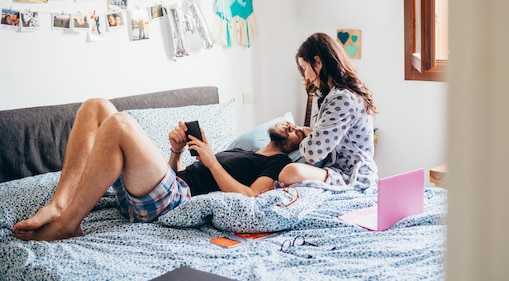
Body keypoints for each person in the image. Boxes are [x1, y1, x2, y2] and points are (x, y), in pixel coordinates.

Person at [12, 98, 305, 242]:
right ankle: (59, 205)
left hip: (177, 202)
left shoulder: (277, 163)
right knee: (95, 106)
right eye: (289, 124)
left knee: (120, 123)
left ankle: (68, 224)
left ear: (297, 146)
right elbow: (174, 177)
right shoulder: (241, 150)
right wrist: (176, 152)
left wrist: (211, 160)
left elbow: (251, 195)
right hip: (159, 192)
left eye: (300, 132)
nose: (292, 127)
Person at [278, 32, 378, 190]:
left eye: (305, 68)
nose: (306, 77)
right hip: (343, 170)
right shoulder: (342, 94)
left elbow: (313, 153)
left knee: (291, 171)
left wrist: (304, 138)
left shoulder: (341, 98)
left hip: (351, 175)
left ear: (317, 62)